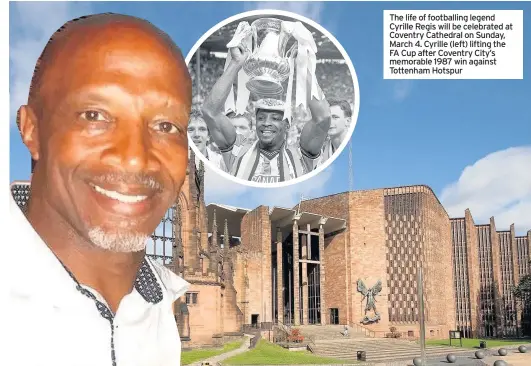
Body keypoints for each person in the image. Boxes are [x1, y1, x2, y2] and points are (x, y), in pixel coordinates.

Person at [7, 13, 192, 366]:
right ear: (31, 130)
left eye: (165, 125)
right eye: (94, 115)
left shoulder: (162, 301)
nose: (136, 159)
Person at [202, 44, 331, 184]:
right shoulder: (238, 151)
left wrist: (301, 67)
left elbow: (322, 118)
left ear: (287, 124)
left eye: (275, 118)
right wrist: (236, 63)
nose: (266, 123)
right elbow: (210, 112)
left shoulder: (300, 154)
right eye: (261, 118)